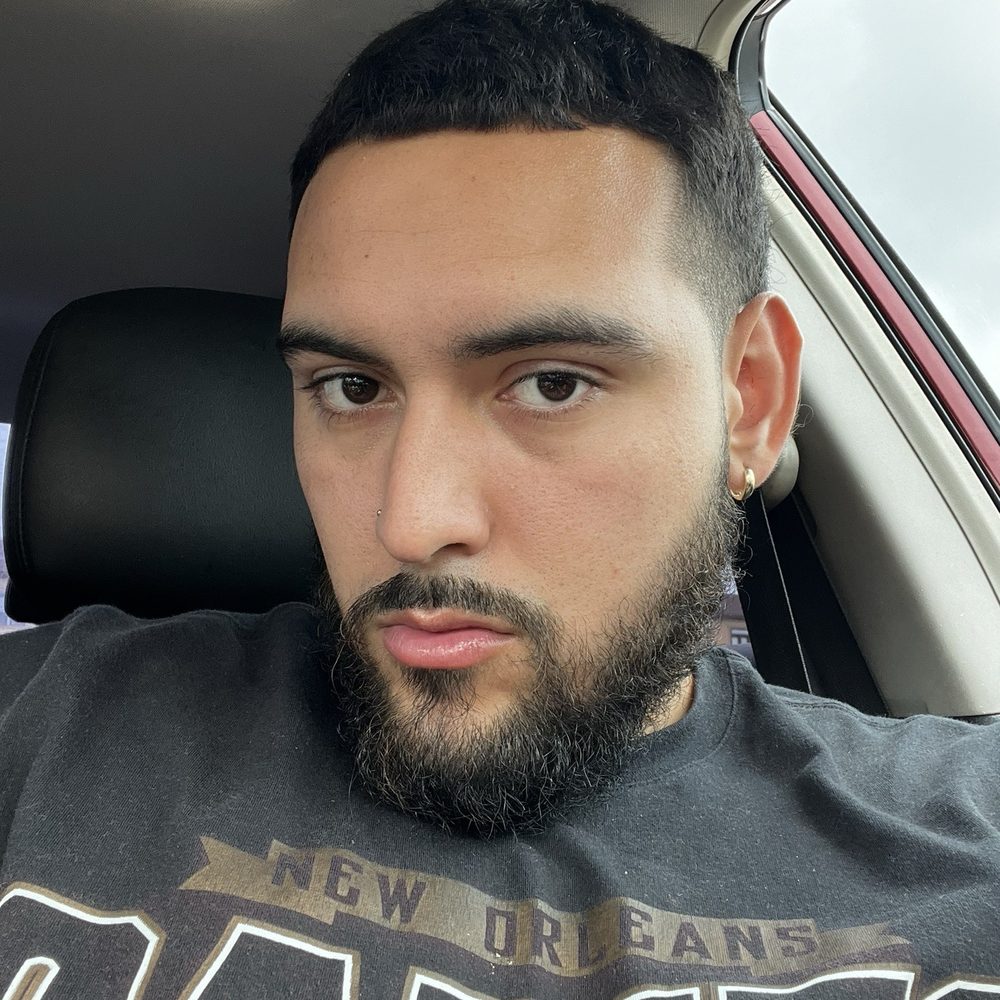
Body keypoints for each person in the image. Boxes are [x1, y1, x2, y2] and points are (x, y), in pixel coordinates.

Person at [1, 0, 998, 996]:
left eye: (552, 384)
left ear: (750, 400)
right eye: (350, 388)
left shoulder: (965, 830)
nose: (411, 522)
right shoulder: (47, 724)